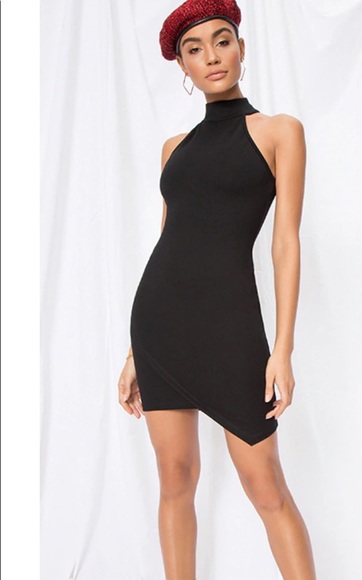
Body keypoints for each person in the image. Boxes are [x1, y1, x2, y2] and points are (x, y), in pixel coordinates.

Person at [116, 0, 316, 578]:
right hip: (160, 326)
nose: (211, 56)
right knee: (175, 480)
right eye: (194, 49)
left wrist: (282, 349)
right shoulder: (173, 149)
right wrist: (133, 353)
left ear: (241, 48)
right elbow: (170, 242)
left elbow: (285, 243)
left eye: (222, 40)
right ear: (182, 66)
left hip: (230, 327)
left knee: (265, 484)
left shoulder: (279, 131)